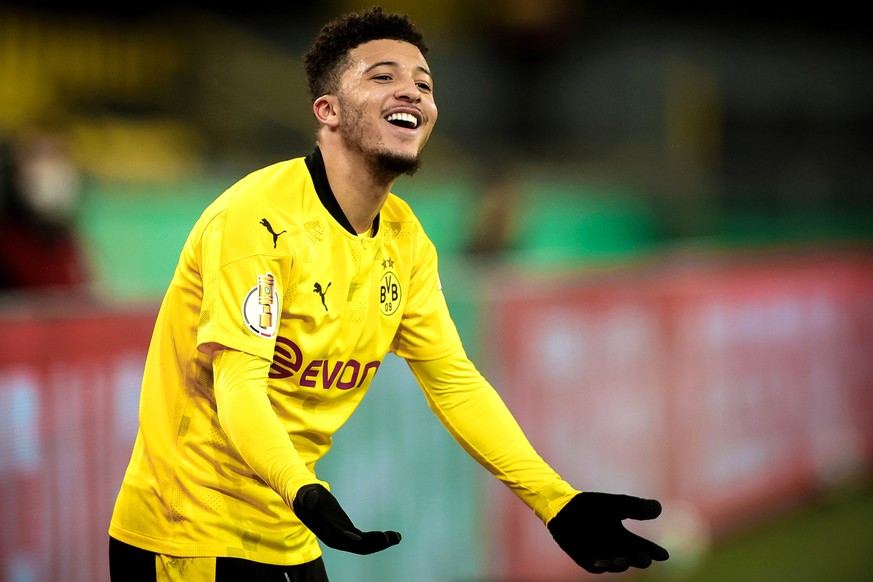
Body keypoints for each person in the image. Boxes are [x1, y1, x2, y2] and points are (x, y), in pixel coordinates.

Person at [108, 7, 669, 581]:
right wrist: (304, 490)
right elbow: (238, 385)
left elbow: (454, 381)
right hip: (187, 534)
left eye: (424, 84)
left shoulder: (404, 240)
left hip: (287, 533)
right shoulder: (260, 218)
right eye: (383, 76)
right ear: (327, 111)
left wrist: (557, 502)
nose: (412, 92)